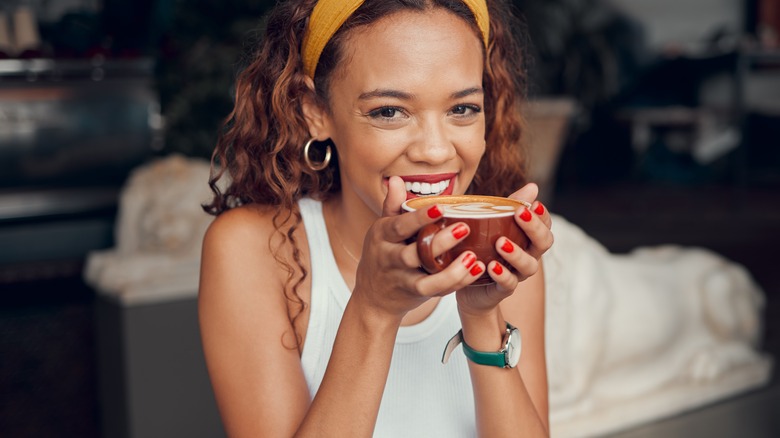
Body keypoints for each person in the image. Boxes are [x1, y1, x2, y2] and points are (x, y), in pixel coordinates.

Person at [198, 0, 553, 436]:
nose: (436, 150)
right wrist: (374, 308)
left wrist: (481, 316)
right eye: (389, 111)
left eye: (462, 109)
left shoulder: (507, 260)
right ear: (315, 111)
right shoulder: (253, 250)